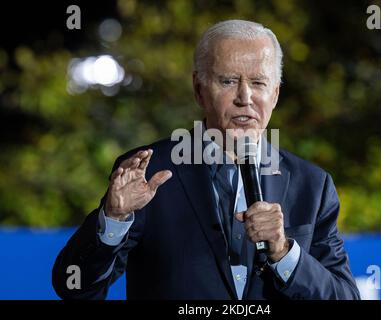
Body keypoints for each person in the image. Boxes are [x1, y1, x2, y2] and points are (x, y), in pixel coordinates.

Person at [52, 19, 360, 300]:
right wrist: (114, 219)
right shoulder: (147, 171)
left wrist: (284, 252)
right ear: (199, 91)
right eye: (228, 81)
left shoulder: (312, 185)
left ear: (275, 94)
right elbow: (74, 288)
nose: (245, 97)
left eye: (258, 83)